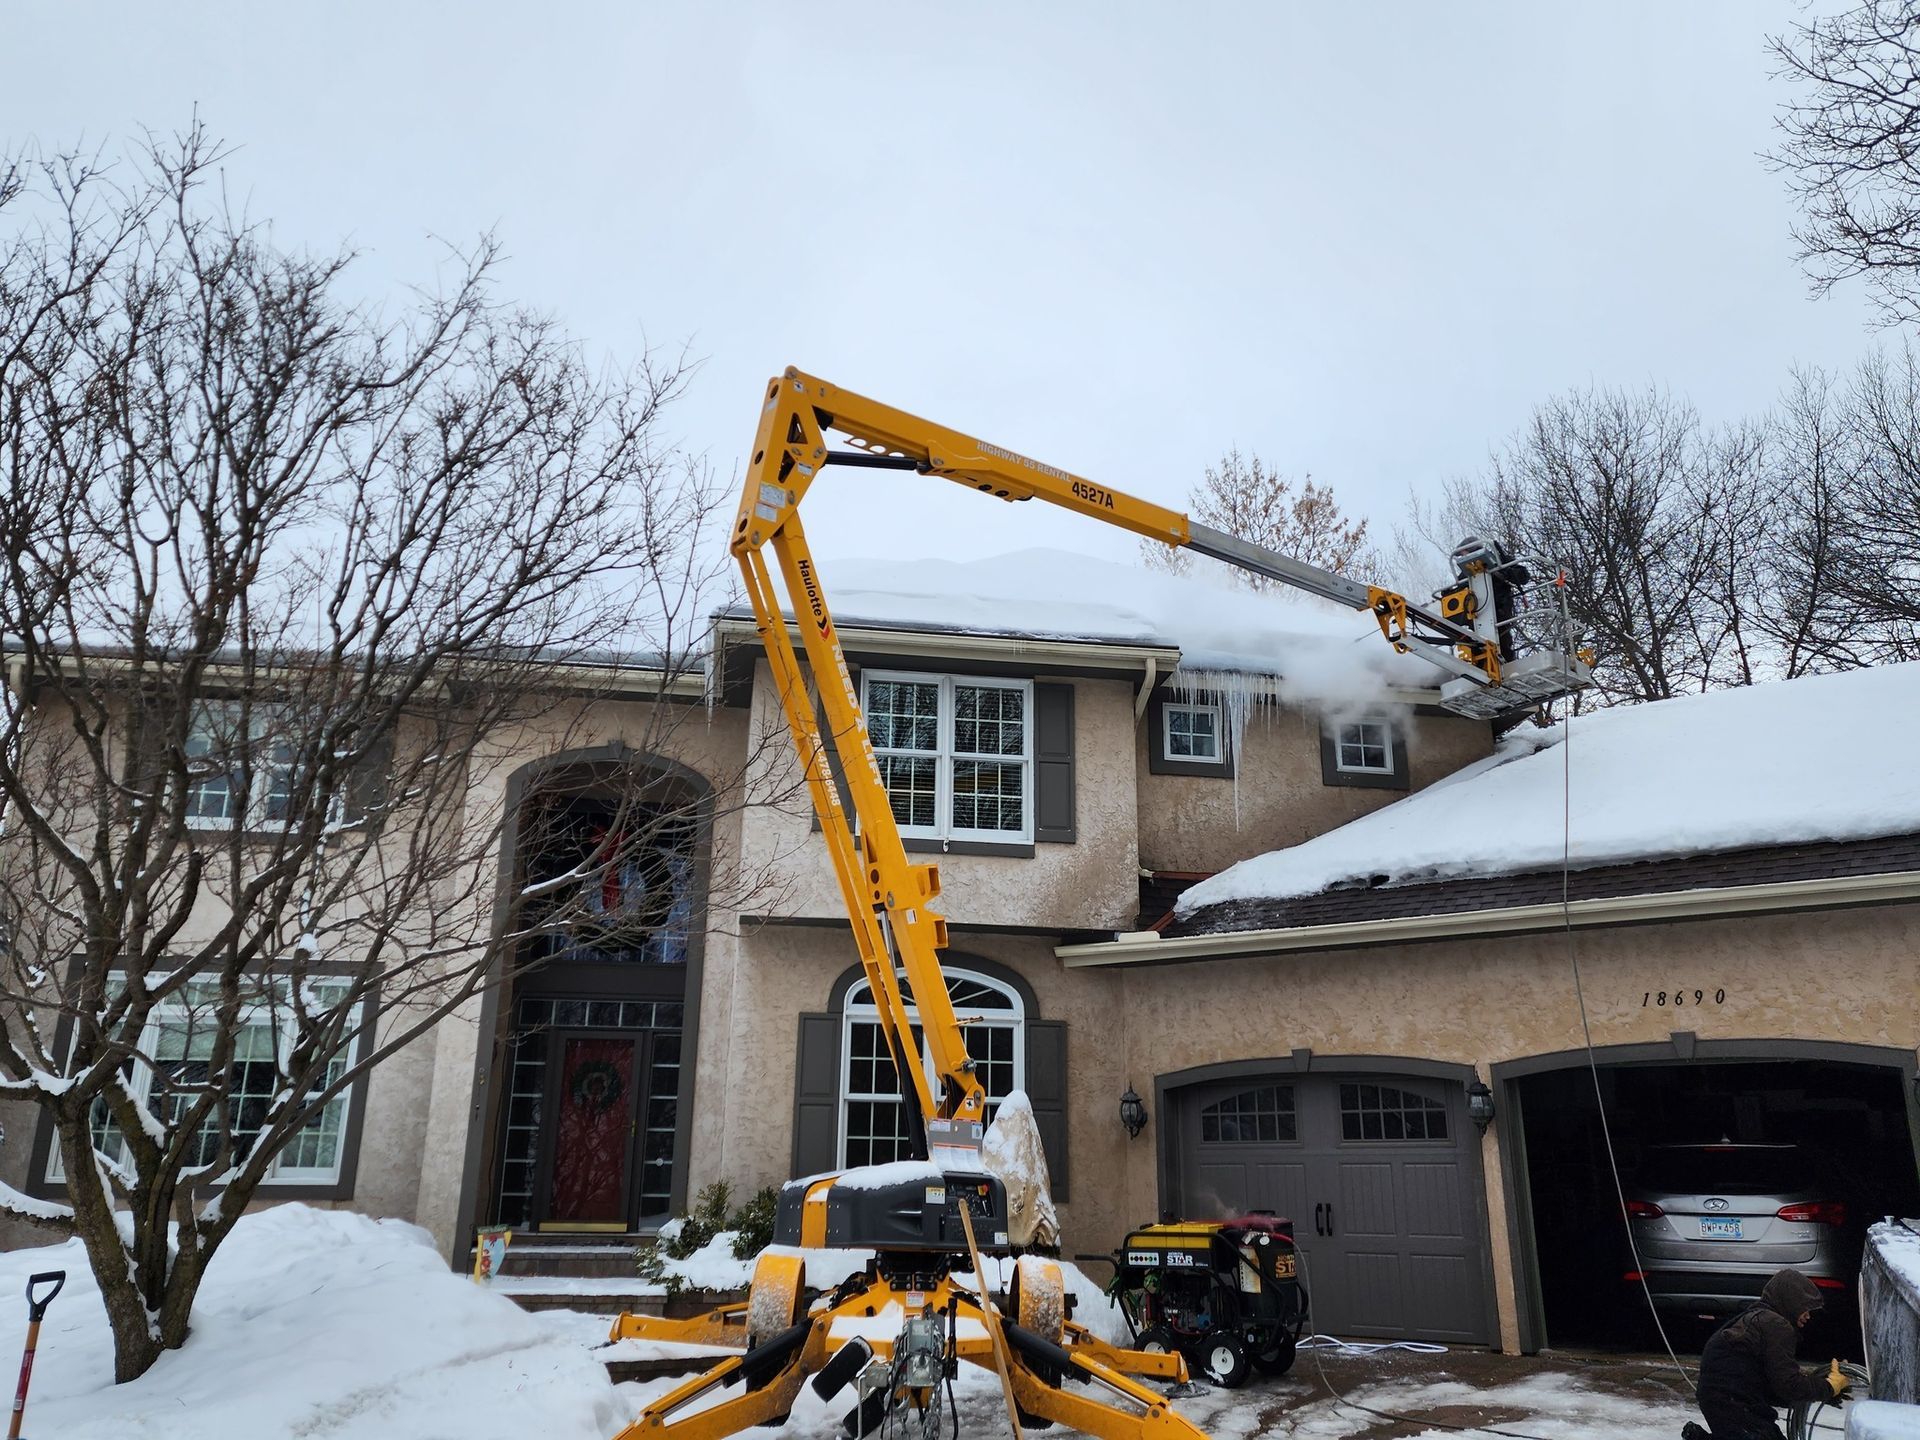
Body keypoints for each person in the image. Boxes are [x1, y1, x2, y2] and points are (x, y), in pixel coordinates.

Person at [1682, 1268, 1849, 1440]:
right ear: (1790, 1301)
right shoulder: (1777, 1325)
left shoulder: (1759, 1318)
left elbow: (1774, 1386)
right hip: (1732, 1401)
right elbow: (1788, 1385)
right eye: (1804, 1307)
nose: (1808, 1315)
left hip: (1721, 1399)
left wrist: (1822, 1389)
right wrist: (1828, 1387)